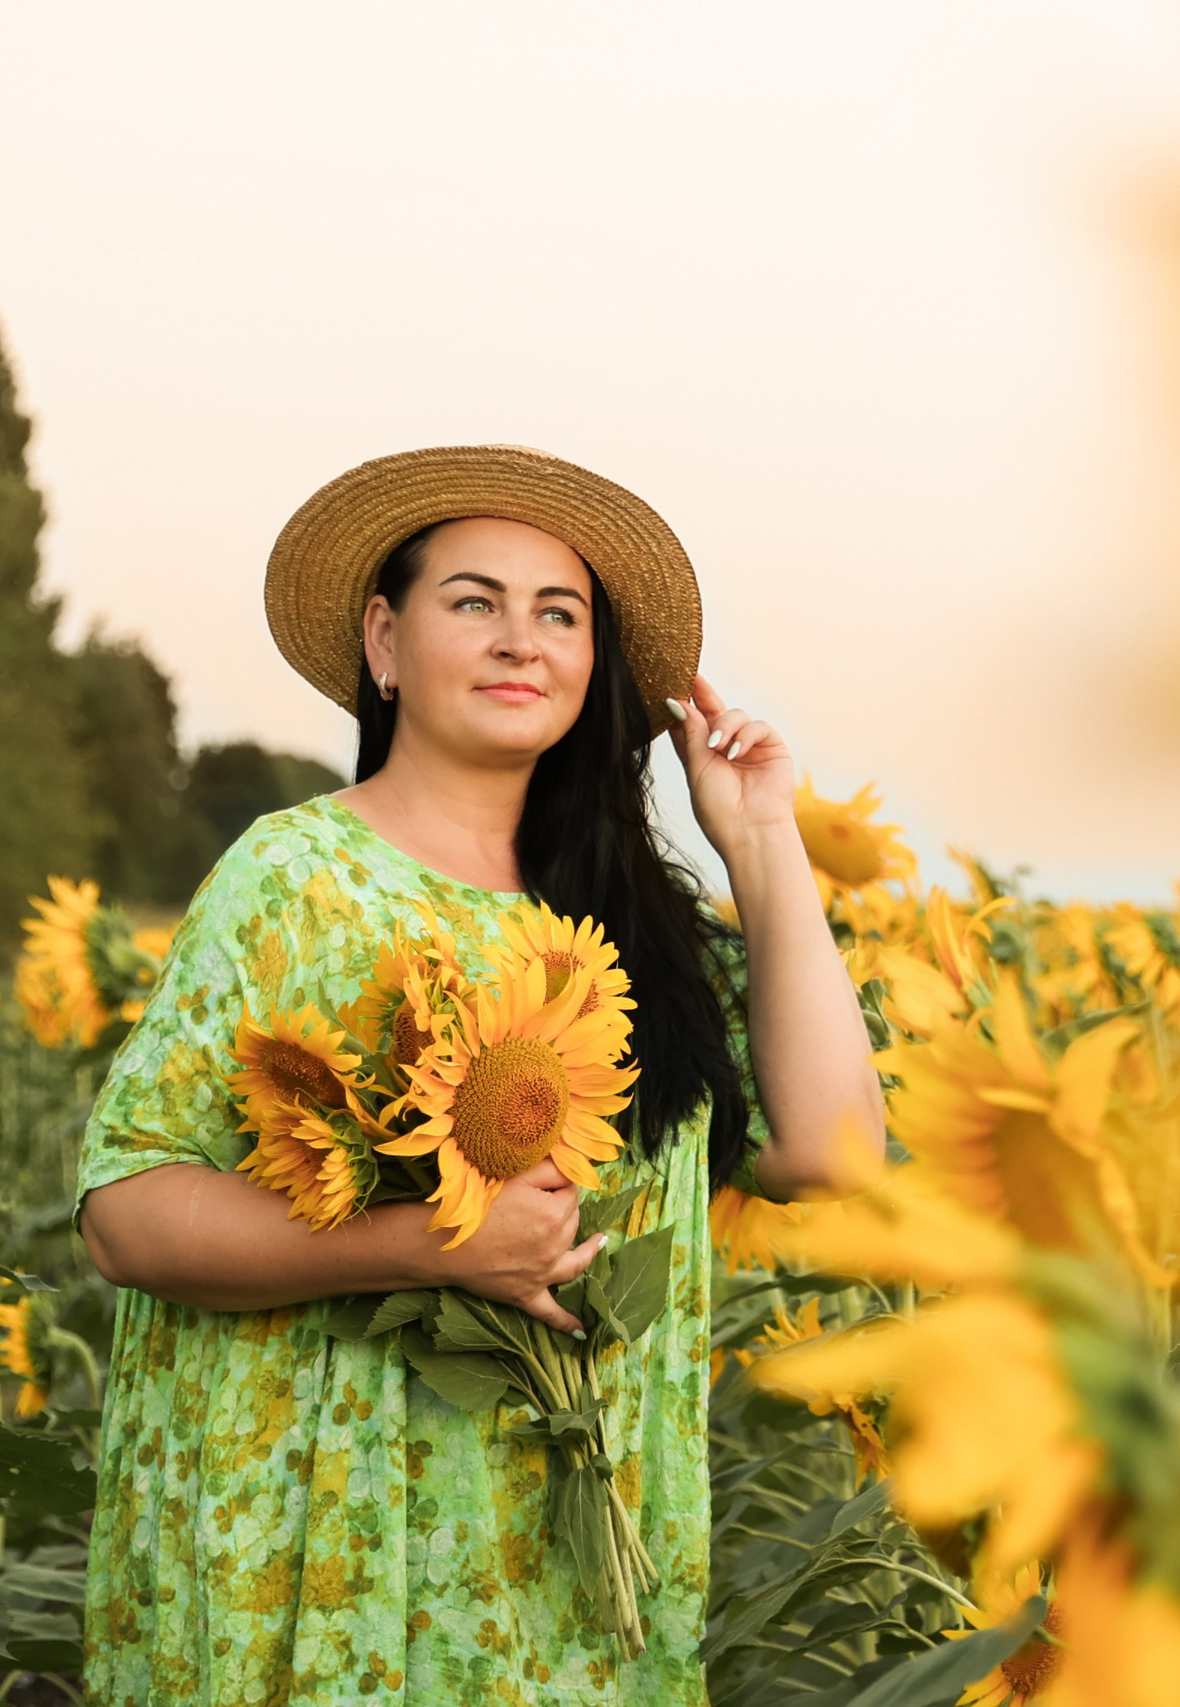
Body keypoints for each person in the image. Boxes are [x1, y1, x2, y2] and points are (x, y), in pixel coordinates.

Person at [74, 445, 885, 1704]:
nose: (522, 641)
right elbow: (126, 1216)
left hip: (570, 1575)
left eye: (558, 614)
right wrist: (425, 1244)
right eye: (475, 603)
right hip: (334, 1547)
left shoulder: (633, 925)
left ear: (591, 669)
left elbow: (831, 1149)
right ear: (384, 645)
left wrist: (763, 838)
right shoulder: (297, 880)